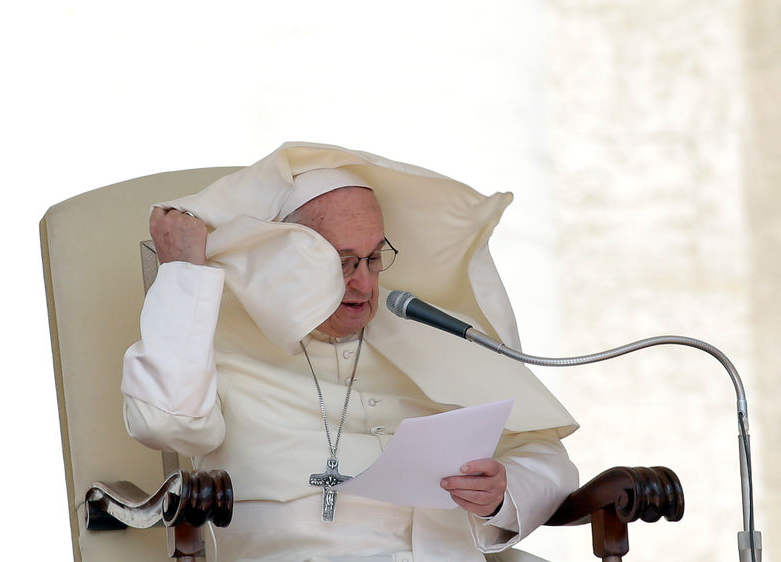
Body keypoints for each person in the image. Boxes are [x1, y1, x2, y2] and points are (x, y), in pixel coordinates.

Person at [122, 142, 579, 562]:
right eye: (341, 262)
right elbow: (166, 422)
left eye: (374, 258)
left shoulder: (425, 330)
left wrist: (503, 492)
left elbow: (548, 460)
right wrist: (183, 272)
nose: (363, 284)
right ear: (282, 257)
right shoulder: (210, 330)